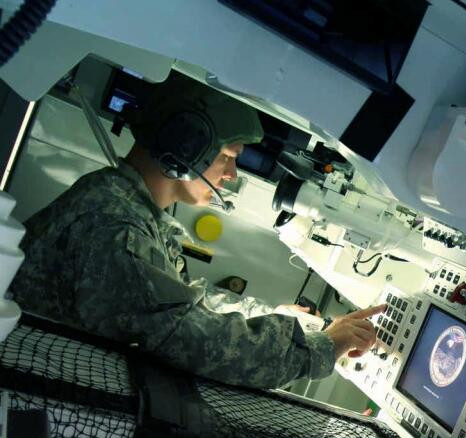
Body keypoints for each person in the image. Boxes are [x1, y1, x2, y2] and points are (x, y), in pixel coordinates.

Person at [11, 73, 381, 389]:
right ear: (187, 147)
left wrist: (275, 314)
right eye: (228, 157)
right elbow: (200, 343)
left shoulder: (127, 205)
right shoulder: (116, 226)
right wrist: (321, 348)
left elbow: (187, 301)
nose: (231, 175)